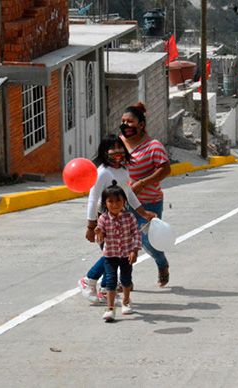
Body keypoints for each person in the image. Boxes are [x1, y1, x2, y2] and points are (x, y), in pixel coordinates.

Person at [79, 135, 155, 304]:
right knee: (111, 254)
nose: (117, 153)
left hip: (120, 217)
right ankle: (89, 280)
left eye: (120, 148)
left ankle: (106, 288)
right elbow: (93, 199)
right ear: (105, 152)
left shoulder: (122, 171)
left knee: (116, 252)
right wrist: (91, 226)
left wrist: (143, 213)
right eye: (112, 149)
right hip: (104, 219)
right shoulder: (102, 173)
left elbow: (128, 194)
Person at [119, 102, 172, 287]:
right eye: (123, 121)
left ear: (141, 124)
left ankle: (161, 263)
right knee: (123, 243)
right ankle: (125, 281)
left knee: (147, 240)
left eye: (130, 121)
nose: (126, 125)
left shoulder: (153, 146)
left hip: (149, 202)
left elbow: (165, 169)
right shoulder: (118, 144)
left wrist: (143, 183)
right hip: (123, 204)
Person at [95, 182, 142, 322]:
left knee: (126, 279)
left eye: (118, 201)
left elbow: (137, 234)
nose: (114, 204)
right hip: (110, 255)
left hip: (127, 254)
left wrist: (135, 250)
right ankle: (110, 309)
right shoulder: (103, 219)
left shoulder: (130, 217)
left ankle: (126, 301)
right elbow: (100, 239)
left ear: (124, 201)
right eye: (110, 201)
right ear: (105, 203)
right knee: (110, 280)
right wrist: (99, 233)